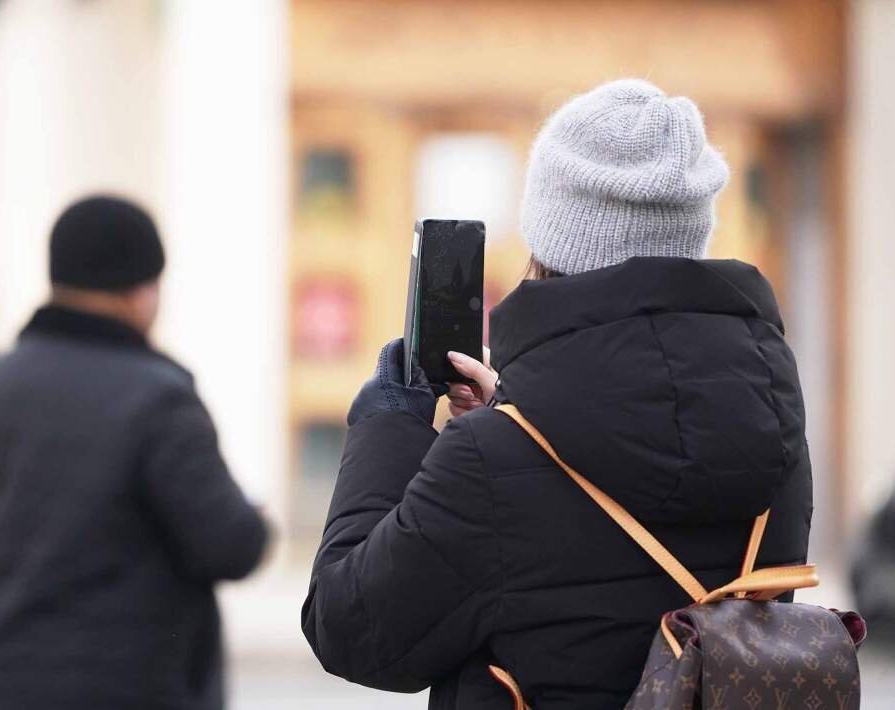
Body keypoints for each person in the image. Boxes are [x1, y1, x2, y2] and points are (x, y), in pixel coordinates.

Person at [302, 79, 811, 709]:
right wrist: (513, 419)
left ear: (552, 238)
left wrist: (388, 422)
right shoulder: (774, 428)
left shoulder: (491, 459)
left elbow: (350, 628)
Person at [0, 196, 268, 710]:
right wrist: (257, 519)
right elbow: (229, 545)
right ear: (143, 290)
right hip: (129, 688)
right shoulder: (157, 399)